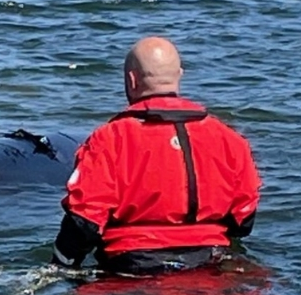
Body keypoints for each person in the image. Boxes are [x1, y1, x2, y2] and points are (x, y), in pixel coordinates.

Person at [51, 36, 261, 275]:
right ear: (179, 75)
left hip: (132, 268)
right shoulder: (230, 139)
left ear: (131, 80)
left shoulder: (110, 139)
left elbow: (84, 222)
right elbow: (243, 221)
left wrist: (59, 268)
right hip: (212, 264)